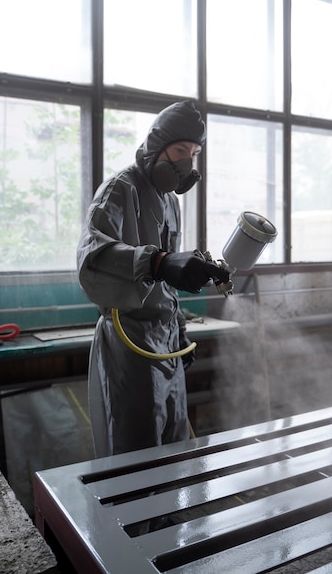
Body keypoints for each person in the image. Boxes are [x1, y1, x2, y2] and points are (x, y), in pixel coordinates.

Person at [77, 100, 229, 457]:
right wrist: (157, 261)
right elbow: (91, 259)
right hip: (130, 338)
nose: (185, 162)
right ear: (155, 146)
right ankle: (140, 516)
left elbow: (164, 282)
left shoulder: (169, 202)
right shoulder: (120, 189)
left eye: (193, 153)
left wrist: (179, 329)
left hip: (166, 339)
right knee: (136, 449)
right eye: (179, 150)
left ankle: (170, 516)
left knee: (173, 443)